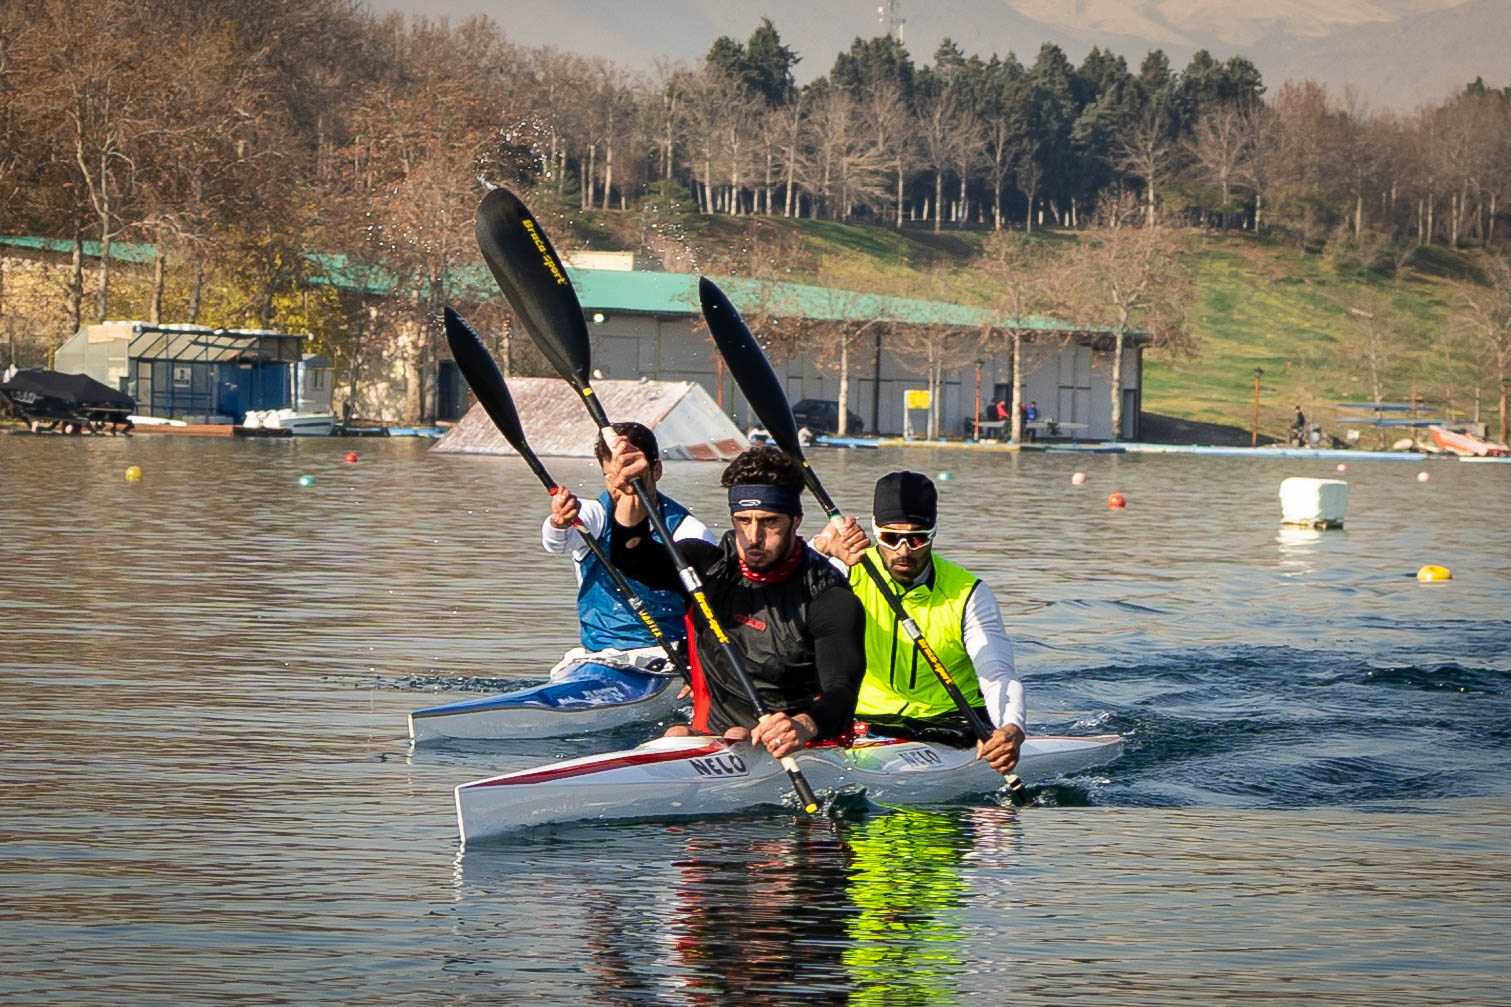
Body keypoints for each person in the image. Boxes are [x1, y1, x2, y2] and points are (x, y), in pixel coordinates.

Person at [578, 441, 866, 759]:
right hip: (709, 736)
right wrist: (631, 499)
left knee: (737, 735)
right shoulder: (705, 569)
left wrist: (801, 726)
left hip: (798, 747)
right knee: (677, 733)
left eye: (770, 522)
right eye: (743, 521)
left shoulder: (828, 596)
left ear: (795, 521)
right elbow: (634, 558)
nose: (753, 537)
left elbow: (841, 693)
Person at [811, 471, 1026, 774]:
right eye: (890, 538)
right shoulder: (842, 571)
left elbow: (997, 673)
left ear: (933, 534)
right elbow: (773, 597)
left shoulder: (969, 594)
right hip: (862, 720)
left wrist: (1011, 729)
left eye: (916, 539)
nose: (903, 551)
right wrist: (818, 547)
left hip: (948, 724)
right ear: (874, 532)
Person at [543, 421, 715, 666]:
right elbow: (556, 545)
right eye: (610, 476)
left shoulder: (689, 530)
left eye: (628, 475)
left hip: (667, 657)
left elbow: (709, 608)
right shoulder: (594, 515)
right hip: (600, 656)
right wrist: (559, 523)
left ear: (655, 471)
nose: (618, 485)